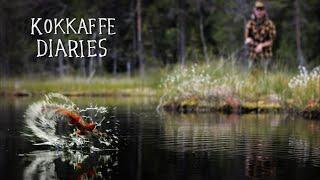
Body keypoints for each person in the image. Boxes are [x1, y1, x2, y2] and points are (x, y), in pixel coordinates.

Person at [244, 1, 276, 73]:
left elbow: (271, 41)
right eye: (257, 9)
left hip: (265, 55)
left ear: (264, 11)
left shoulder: (270, 24)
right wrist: (248, 40)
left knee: (265, 77)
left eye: (261, 9)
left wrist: (261, 45)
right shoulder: (250, 24)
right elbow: (246, 38)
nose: (259, 12)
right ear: (254, 10)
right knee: (251, 77)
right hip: (252, 55)